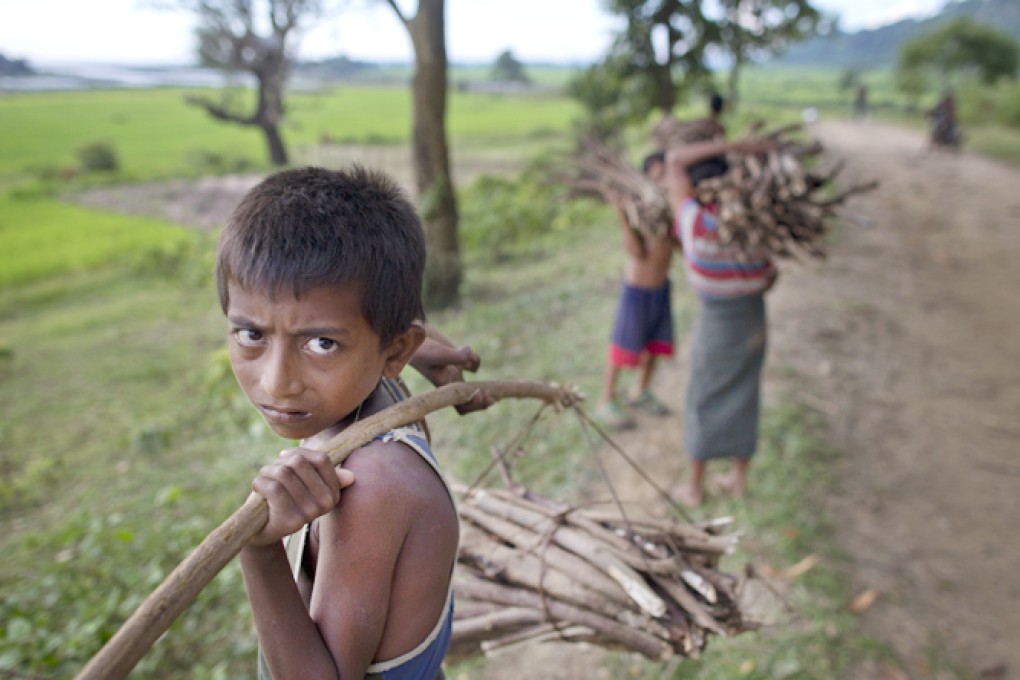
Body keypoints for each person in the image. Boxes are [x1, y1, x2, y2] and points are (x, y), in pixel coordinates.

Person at [217, 165, 459, 679]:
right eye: (250, 334)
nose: (278, 383)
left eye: (321, 343)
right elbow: (359, 324)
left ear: (394, 349)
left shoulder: (371, 487)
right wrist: (421, 353)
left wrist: (258, 549)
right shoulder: (380, 392)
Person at [664, 139, 778, 507]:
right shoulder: (755, 225)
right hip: (753, 317)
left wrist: (734, 144)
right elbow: (770, 276)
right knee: (746, 392)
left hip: (717, 320)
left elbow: (674, 160)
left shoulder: (695, 223)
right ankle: (738, 480)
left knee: (704, 397)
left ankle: (696, 488)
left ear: (698, 190)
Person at [596, 151, 679, 430]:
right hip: (637, 291)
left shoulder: (670, 210)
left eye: (668, 173)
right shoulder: (642, 208)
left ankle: (640, 391)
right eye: (658, 174)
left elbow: (677, 246)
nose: (664, 179)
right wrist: (621, 212)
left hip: (660, 288)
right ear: (646, 178)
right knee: (622, 346)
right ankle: (606, 399)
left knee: (655, 345)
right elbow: (636, 251)